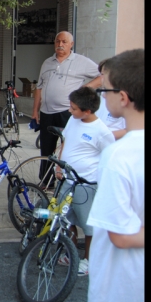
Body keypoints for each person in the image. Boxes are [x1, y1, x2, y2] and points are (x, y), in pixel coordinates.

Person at [86, 49, 144, 302]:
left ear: (123, 98)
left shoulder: (119, 153)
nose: (102, 96)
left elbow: (120, 235)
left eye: (104, 90)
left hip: (122, 287)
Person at [56, 87, 115, 276]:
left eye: (73, 108)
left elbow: (109, 159)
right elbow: (65, 140)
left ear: (87, 111)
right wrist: (59, 165)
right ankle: (71, 253)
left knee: (89, 226)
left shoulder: (102, 132)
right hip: (67, 180)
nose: (69, 111)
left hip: (86, 185)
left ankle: (89, 261)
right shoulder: (74, 121)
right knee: (65, 219)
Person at [31, 31, 99, 177]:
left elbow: (102, 75)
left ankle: (65, 179)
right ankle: (45, 182)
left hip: (67, 112)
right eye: (57, 41)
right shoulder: (47, 62)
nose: (60, 45)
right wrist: (35, 111)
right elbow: (39, 88)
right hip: (46, 112)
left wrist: (85, 89)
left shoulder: (81, 61)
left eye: (64, 42)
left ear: (71, 44)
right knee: (46, 148)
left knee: (67, 148)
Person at [95, 58, 127, 140]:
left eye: (107, 74)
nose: (103, 78)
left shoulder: (125, 99)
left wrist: (102, 137)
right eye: (102, 74)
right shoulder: (99, 95)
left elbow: (130, 130)